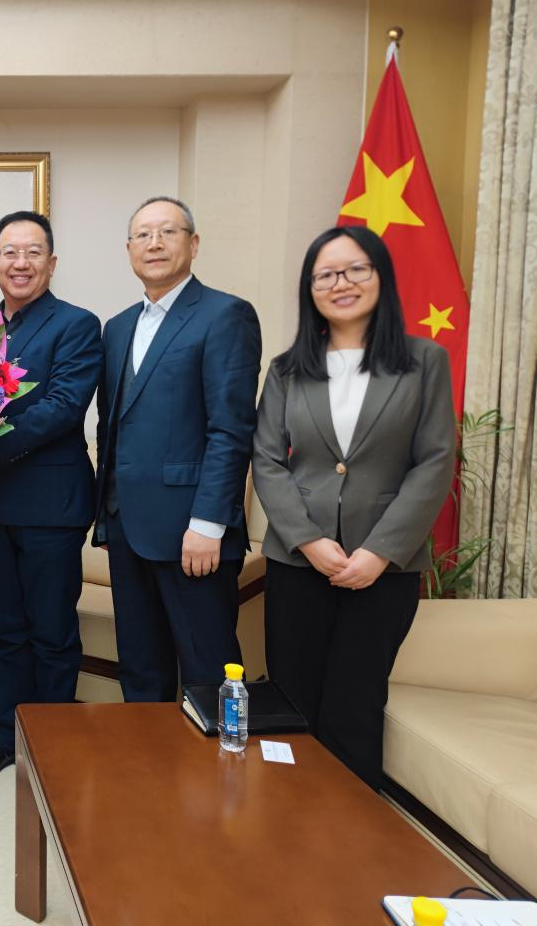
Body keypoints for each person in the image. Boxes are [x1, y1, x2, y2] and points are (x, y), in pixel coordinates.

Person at [252, 225, 454, 789]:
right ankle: (288, 816)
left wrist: (380, 552)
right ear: (309, 289)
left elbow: (435, 460)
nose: (340, 283)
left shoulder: (424, 361)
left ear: (380, 275)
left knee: (355, 705)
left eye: (355, 269)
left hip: (383, 568)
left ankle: (352, 828)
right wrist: (308, 541)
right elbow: (267, 459)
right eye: (325, 275)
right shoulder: (287, 369)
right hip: (298, 563)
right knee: (292, 701)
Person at [94, 196, 261, 702]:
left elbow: (230, 430)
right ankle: (148, 756)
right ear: (129, 249)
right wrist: (108, 518)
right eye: (143, 235)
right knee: (141, 669)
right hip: (128, 530)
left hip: (194, 534)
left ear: (194, 243)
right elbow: (111, 428)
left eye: (168, 232)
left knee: (208, 670)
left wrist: (209, 524)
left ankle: (216, 759)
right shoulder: (118, 327)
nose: (155, 243)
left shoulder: (225, 315)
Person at [0, 211, 102, 781]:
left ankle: (50, 746)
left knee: (51, 630)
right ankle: (2, 736)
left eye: (33, 252)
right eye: (10, 253)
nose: (21, 263)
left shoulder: (77, 325)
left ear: (52, 262)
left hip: (50, 504)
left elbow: (64, 406)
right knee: (8, 627)